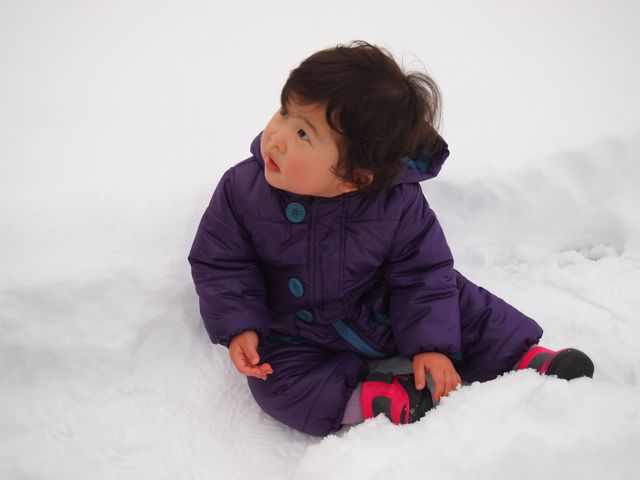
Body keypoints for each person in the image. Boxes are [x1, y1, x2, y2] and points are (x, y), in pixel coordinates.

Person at [188, 41, 594, 437]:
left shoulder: (396, 202)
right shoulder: (242, 190)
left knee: (458, 302)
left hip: (383, 307)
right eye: (284, 112)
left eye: (303, 134)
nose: (277, 137)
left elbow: (423, 273)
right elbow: (221, 262)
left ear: (354, 177)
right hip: (297, 329)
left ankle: (523, 357)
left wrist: (432, 346)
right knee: (274, 381)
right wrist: (241, 325)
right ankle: (370, 401)